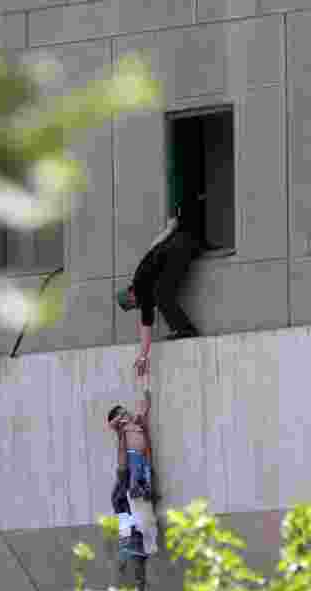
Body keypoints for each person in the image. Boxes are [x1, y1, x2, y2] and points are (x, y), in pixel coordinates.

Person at [117, 207, 204, 377]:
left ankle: (185, 330)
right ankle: (182, 329)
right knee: (161, 292)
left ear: (131, 296)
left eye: (134, 305)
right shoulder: (141, 276)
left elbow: (146, 328)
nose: (139, 306)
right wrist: (170, 229)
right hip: (183, 240)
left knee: (161, 294)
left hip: (179, 249)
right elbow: (153, 245)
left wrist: (143, 356)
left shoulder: (141, 288)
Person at [107, 373, 158, 558]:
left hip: (140, 461)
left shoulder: (135, 422)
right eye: (120, 413)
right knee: (125, 497)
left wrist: (146, 386)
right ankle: (129, 541)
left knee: (134, 498)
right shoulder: (121, 428)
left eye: (124, 411)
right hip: (129, 460)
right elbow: (111, 425)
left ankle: (135, 541)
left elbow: (145, 407)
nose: (124, 414)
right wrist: (118, 422)